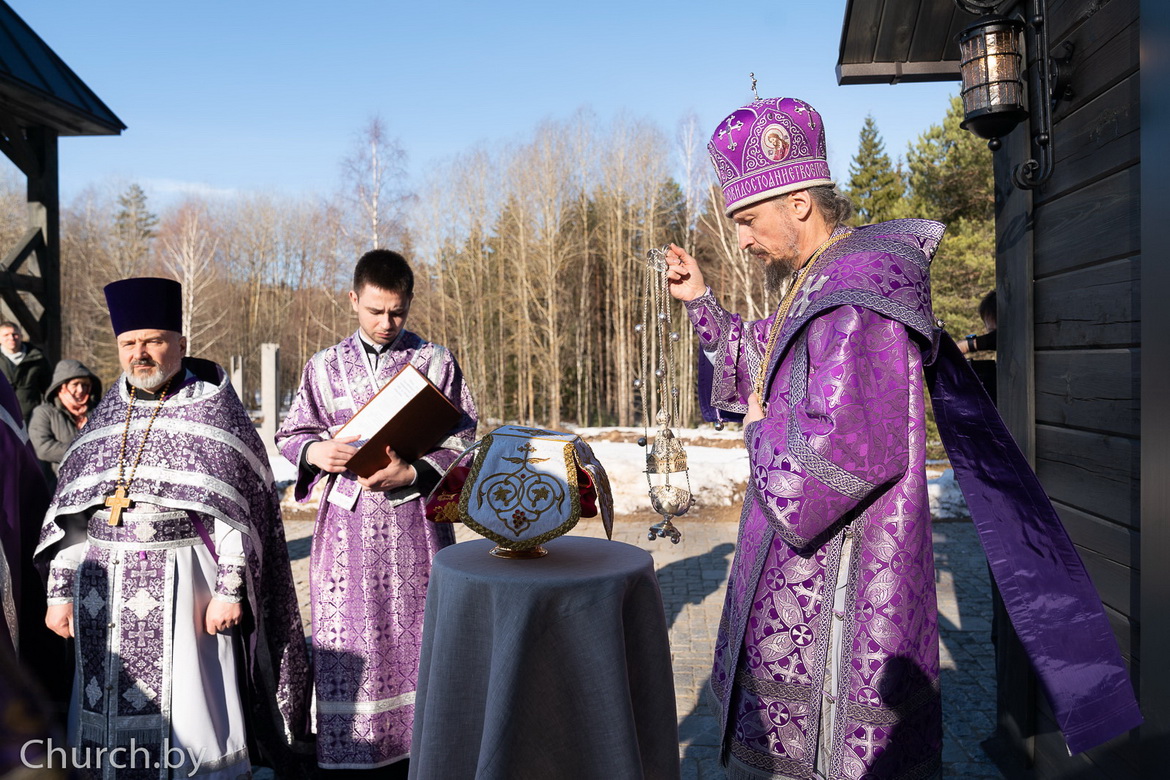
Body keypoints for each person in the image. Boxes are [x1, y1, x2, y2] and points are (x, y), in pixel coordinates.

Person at [666, 97, 1139, 779]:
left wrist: (760, 432)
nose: (741, 240)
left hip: (837, 590)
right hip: (801, 577)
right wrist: (702, 302)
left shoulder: (856, 295)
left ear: (798, 203)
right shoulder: (821, 279)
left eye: (746, 220)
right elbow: (759, 360)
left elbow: (841, 458)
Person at [35, 277, 311, 778]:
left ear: (180, 343)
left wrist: (230, 591)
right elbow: (74, 516)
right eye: (128, 343)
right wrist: (59, 592)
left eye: (153, 341)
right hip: (102, 595)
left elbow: (235, 512)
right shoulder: (104, 418)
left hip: (188, 589)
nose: (139, 354)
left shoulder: (214, 410)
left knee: (189, 711)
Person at [276, 249, 477, 775]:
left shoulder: (436, 362)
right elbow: (291, 432)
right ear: (353, 299)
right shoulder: (322, 366)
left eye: (397, 312)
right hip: (344, 533)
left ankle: (425, 754)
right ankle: (353, 755)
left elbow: (464, 440)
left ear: (409, 303)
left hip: (415, 529)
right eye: (375, 311)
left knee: (421, 636)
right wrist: (315, 451)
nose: (386, 323)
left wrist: (413, 474)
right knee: (349, 640)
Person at [30, 359, 102, 489]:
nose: (81, 390)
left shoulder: (100, 411)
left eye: (85, 385)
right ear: (62, 386)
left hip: (95, 485)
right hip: (57, 486)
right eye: (75, 384)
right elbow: (42, 448)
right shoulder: (44, 413)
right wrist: (83, 450)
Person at [0, 321, 51, 423]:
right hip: (3, 419)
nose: (11, 338)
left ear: (21, 336)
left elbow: (48, 388)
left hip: (30, 417)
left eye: (15, 334)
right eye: (6, 335)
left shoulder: (37, 358)